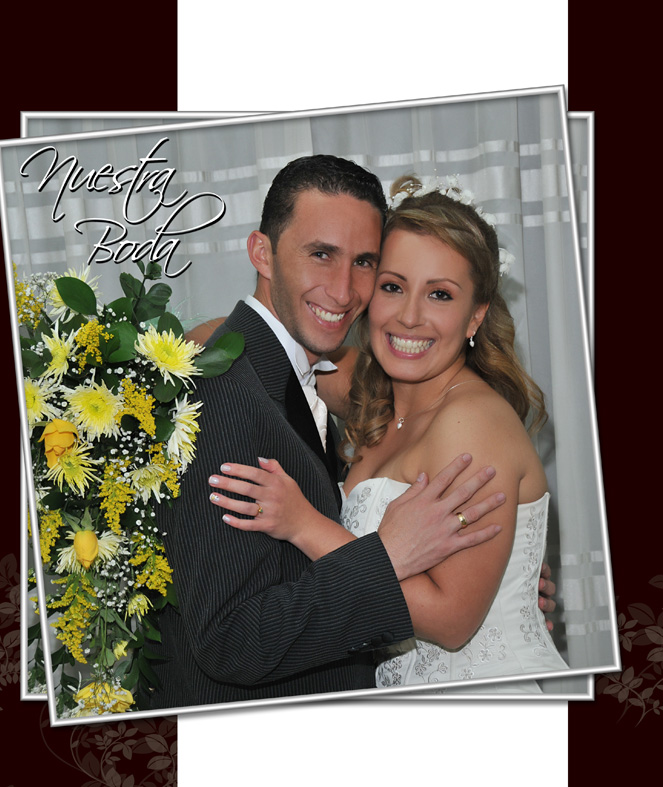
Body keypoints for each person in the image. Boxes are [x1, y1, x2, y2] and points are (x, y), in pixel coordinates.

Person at [147, 156, 507, 709]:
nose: (343, 291)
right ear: (262, 253)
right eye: (321, 255)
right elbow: (231, 640)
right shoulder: (221, 392)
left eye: (364, 262)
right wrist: (386, 556)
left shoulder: (304, 374)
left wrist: (498, 580)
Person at [209, 174, 568, 692]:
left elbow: (452, 621)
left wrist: (304, 525)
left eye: (440, 294)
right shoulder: (373, 397)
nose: (410, 317)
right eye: (393, 287)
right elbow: (251, 339)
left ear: (476, 316)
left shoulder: (472, 420)